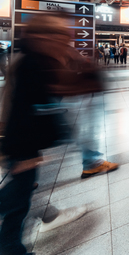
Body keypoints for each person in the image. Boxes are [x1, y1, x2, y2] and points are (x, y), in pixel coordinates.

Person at [0, 14, 116, 255]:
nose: (65, 42)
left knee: (20, 198)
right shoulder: (30, 64)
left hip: (28, 145)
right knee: (16, 202)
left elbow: (63, 91)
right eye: (61, 37)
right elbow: (19, 109)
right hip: (22, 146)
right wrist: (21, 154)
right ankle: (11, 249)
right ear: (43, 37)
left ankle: (15, 243)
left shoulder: (38, 61)